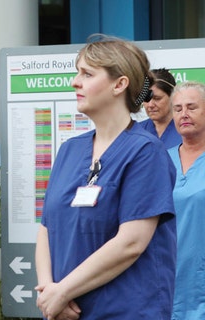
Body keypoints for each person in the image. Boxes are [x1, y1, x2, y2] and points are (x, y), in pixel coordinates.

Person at [34, 35, 177, 319]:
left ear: (119, 84)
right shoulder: (69, 150)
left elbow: (131, 243)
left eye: (86, 73)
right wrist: (49, 291)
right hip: (65, 309)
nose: (75, 81)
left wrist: (63, 292)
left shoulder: (145, 152)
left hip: (123, 310)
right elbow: (46, 228)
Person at [167, 81, 205, 318]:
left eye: (192, 107)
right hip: (167, 277)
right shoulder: (160, 161)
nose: (184, 114)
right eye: (178, 108)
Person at [140, 68, 181, 149]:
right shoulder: (136, 131)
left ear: (173, 97)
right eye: (146, 99)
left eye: (157, 98)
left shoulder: (188, 131)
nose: (150, 105)